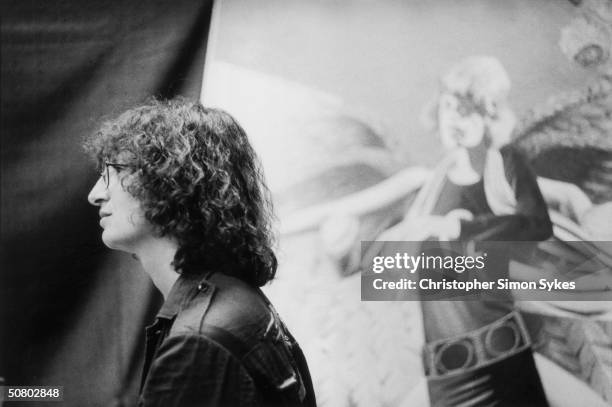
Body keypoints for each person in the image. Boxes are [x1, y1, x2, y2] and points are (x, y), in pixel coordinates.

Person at [85, 98, 317, 407]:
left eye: (111, 172)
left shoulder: (198, 340)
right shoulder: (237, 300)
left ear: (168, 180)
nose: (95, 195)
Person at [378, 56, 553, 406]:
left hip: (502, 360)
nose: (456, 119)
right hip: (447, 373)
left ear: (488, 117)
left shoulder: (505, 165)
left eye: (469, 110)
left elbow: (537, 225)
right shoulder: (431, 186)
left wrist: (460, 227)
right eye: (449, 107)